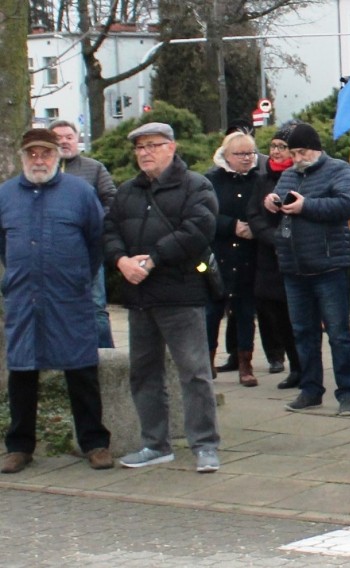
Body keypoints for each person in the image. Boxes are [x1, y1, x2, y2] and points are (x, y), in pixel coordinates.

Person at [103, 122, 221, 473]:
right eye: (139, 147)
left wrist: (153, 258)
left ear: (172, 147)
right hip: (140, 295)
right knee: (144, 373)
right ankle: (155, 444)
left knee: (195, 373)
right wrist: (121, 261)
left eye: (152, 145)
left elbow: (198, 230)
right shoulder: (127, 192)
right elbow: (109, 231)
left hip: (181, 294)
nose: (144, 153)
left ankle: (205, 445)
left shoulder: (196, 186)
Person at [0, 129, 113, 474]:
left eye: (45, 154)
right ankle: (19, 447)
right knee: (22, 371)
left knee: (81, 370)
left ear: (57, 156)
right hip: (23, 297)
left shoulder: (80, 193)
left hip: (69, 297)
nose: (39, 160)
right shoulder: (5, 195)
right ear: (23, 158)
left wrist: (77, 277)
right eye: (32, 154)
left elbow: (97, 241)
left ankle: (95, 443)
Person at [262, 123, 350, 415]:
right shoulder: (290, 174)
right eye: (292, 153)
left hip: (328, 265)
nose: (296, 158)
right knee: (303, 332)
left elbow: (348, 204)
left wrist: (307, 206)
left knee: (338, 333)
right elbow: (281, 206)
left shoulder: (338, 169)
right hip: (294, 267)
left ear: (316, 149)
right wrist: (272, 203)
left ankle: (347, 393)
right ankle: (310, 389)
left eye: (301, 152)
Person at [49, 119, 116, 349]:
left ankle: (105, 356)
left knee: (96, 305)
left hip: (88, 250)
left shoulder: (94, 167)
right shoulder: (43, 170)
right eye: (58, 138)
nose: (64, 142)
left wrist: (94, 223)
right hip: (53, 253)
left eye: (68, 137)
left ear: (77, 139)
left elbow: (112, 201)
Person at [247, 122, 302, 388]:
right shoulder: (262, 178)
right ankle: (291, 364)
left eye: (283, 147)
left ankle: (304, 366)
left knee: (297, 317)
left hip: (294, 256)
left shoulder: (299, 176)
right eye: (274, 146)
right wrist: (269, 237)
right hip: (269, 256)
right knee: (275, 313)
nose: (277, 152)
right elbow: (254, 214)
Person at [204, 131, 261, 387]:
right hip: (218, 256)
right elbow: (203, 217)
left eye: (250, 153)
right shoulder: (210, 180)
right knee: (212, 311)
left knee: (245, 312)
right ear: (226, 155)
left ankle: (245, 363)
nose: (247, 158)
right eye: (240, 154)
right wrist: (231, 226)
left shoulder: (259, 179)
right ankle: (206, 361)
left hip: (249, 255)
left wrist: (255, 228)